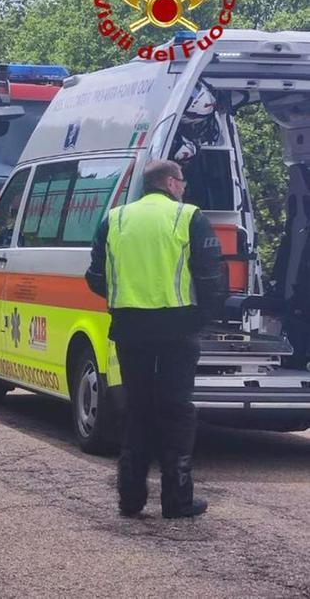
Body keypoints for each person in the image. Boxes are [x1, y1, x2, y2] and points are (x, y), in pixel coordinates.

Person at [86, 159, 223, 519]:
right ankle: (177, 500)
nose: (184, 186)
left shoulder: (114, 219)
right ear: (170, 183)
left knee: (138, 408)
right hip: (178, 327)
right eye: (182, 180)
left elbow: (96, 276)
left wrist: (128, 298)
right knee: (176, 409)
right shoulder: (188, 217)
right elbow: (211, 278)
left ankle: (130, 499)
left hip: (130, 328)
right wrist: (204, 318)